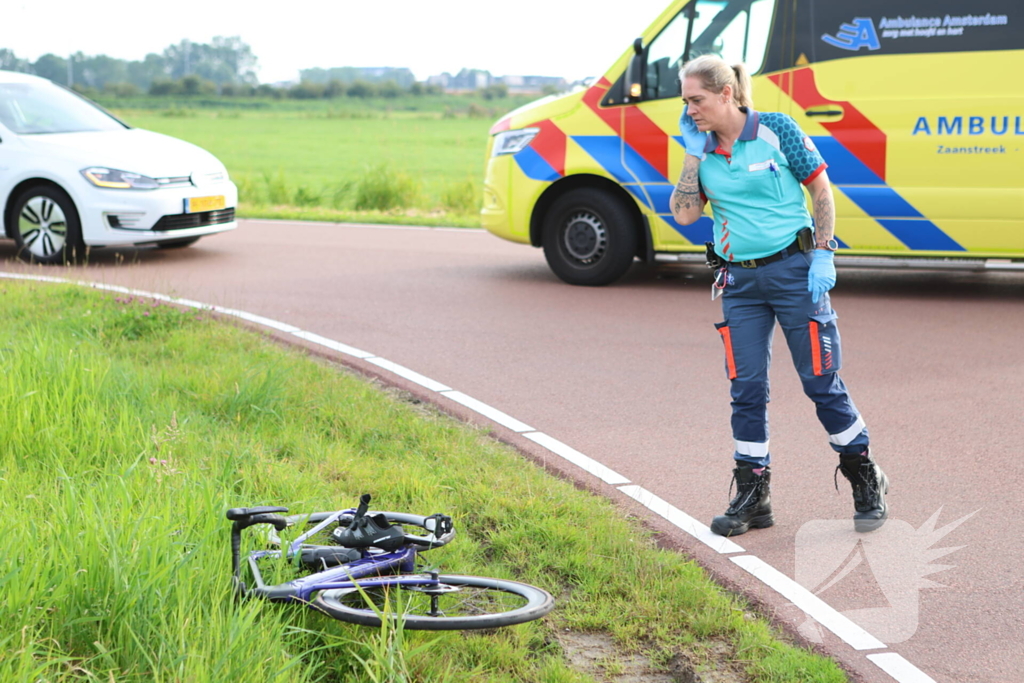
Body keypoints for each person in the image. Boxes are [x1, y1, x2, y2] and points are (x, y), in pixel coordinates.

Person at [669, 55, 889, 537]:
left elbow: (822, 192)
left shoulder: (777, 130)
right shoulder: (700, 149)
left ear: (726, 94)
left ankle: (864, 475)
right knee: (746, 389)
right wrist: (691, 154)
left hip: (794, 272)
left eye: (697, 100)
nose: (690, 111)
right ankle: (754, 493)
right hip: (739, 284)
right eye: (686, 102)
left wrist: (825, 253)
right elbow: (685, 215)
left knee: (820, 382)